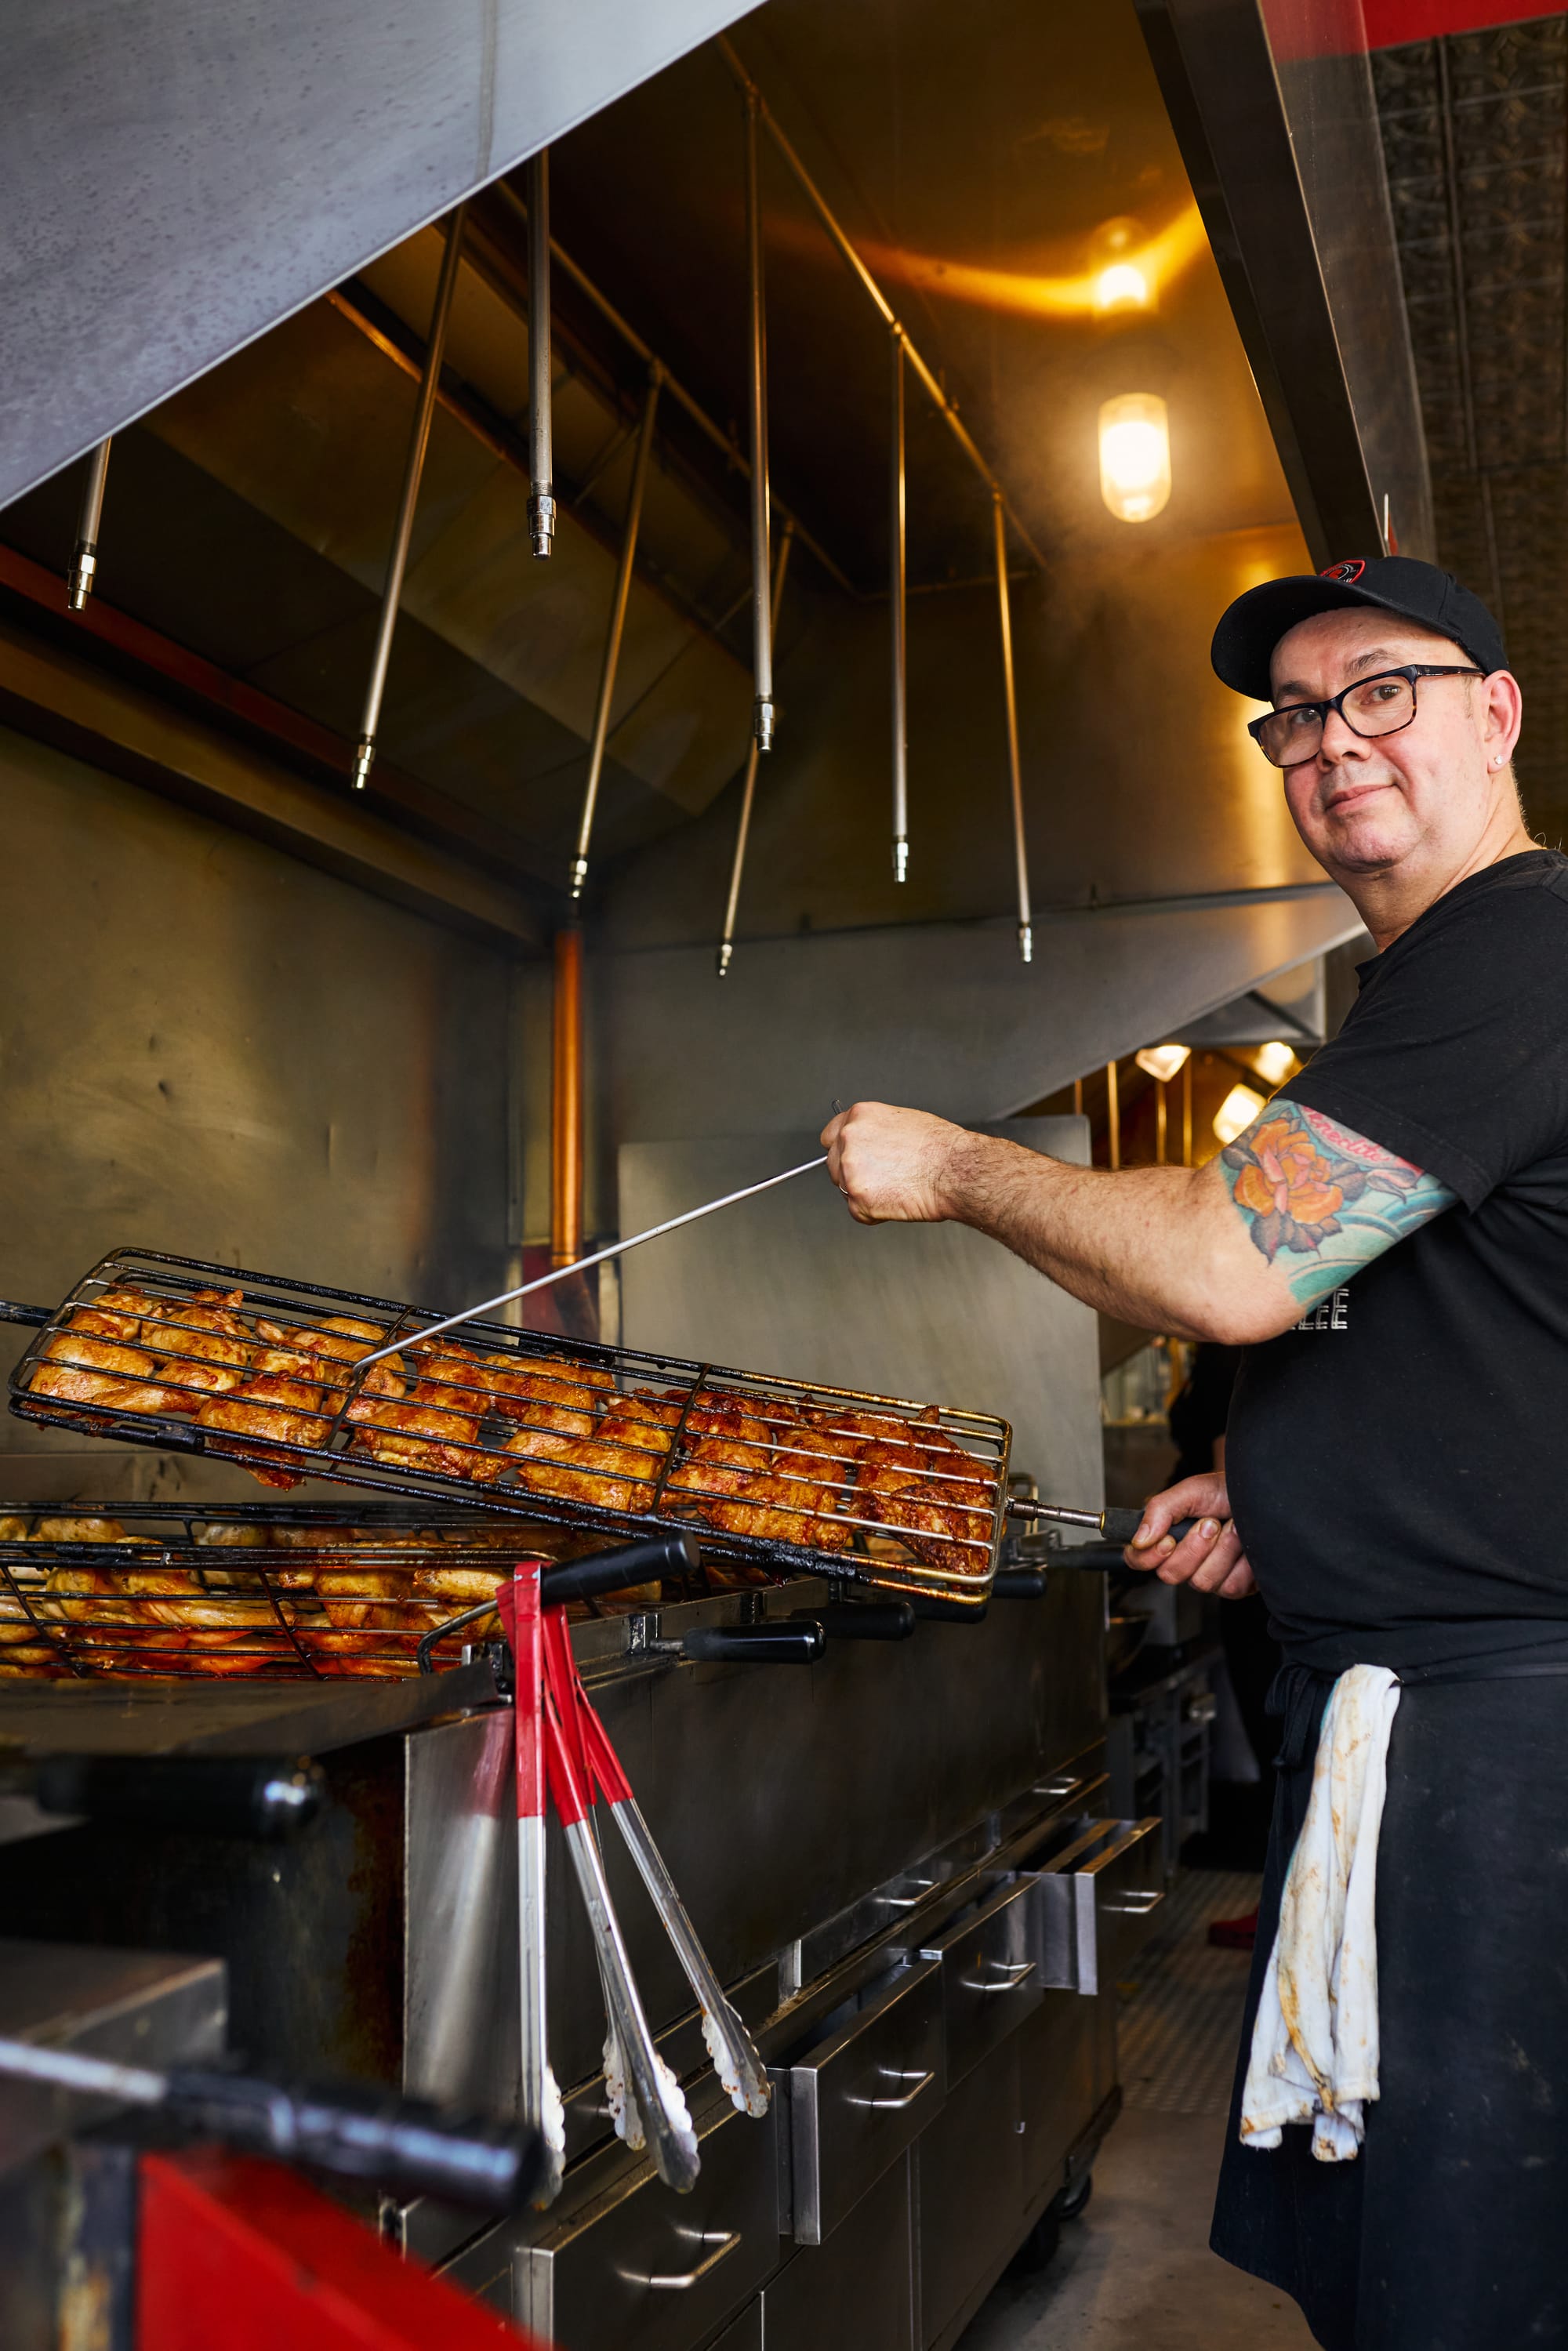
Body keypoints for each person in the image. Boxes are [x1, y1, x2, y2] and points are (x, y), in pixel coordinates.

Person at [821, 553, 1568, 2351]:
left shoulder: (1518, 945)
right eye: (1295, 718)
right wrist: (1280, 1488)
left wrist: (958, 1169)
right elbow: (1464, 1313)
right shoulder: (1426, 993)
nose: (1332, 743)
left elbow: (1233, 1265)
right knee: (1408, 2272)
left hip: (1507, 1750)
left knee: (1474, 2297)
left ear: (1497, 711)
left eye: (1379, 689)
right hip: (1434, 1711)